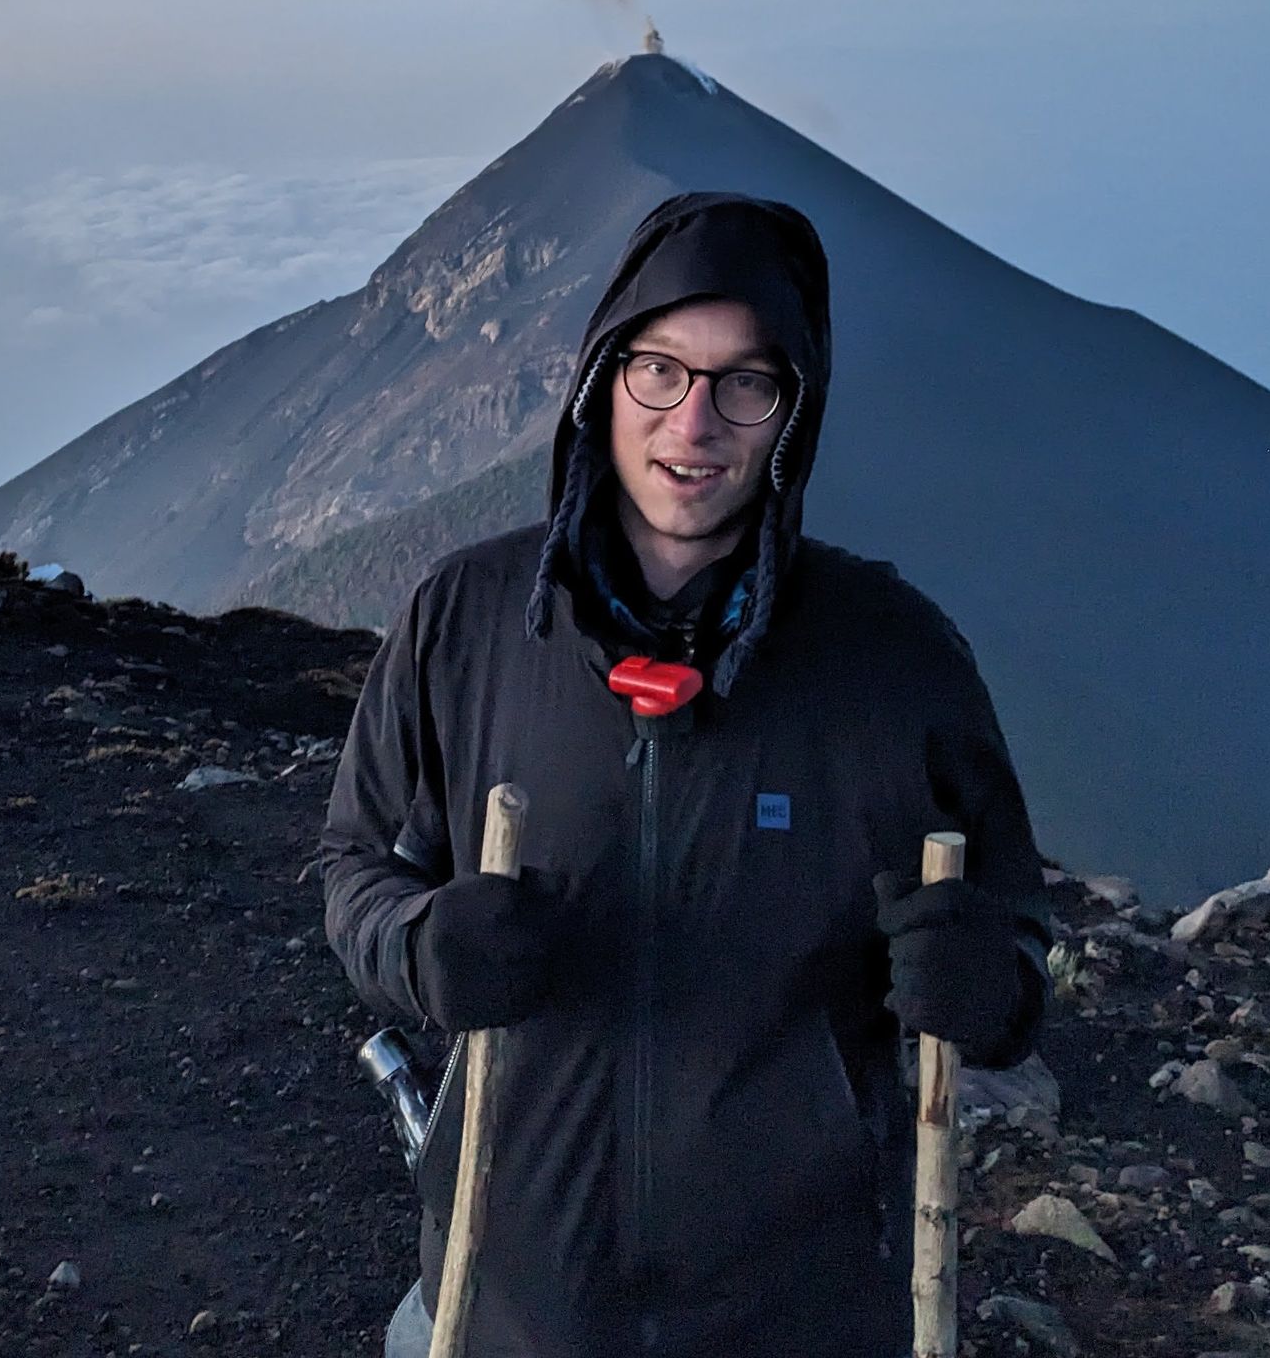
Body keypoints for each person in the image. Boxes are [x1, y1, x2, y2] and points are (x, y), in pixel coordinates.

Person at [321, 191, 1052, 1358]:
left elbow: (1016, 926)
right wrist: (417, 942)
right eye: (659, 370)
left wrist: (990, 985)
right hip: (511, 1299)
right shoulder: (464, 620)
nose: (694, 421)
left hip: (793, 1311)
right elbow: (353, 862)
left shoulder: (891, 656)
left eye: (743, 384)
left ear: (789, 417)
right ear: (601, 381)